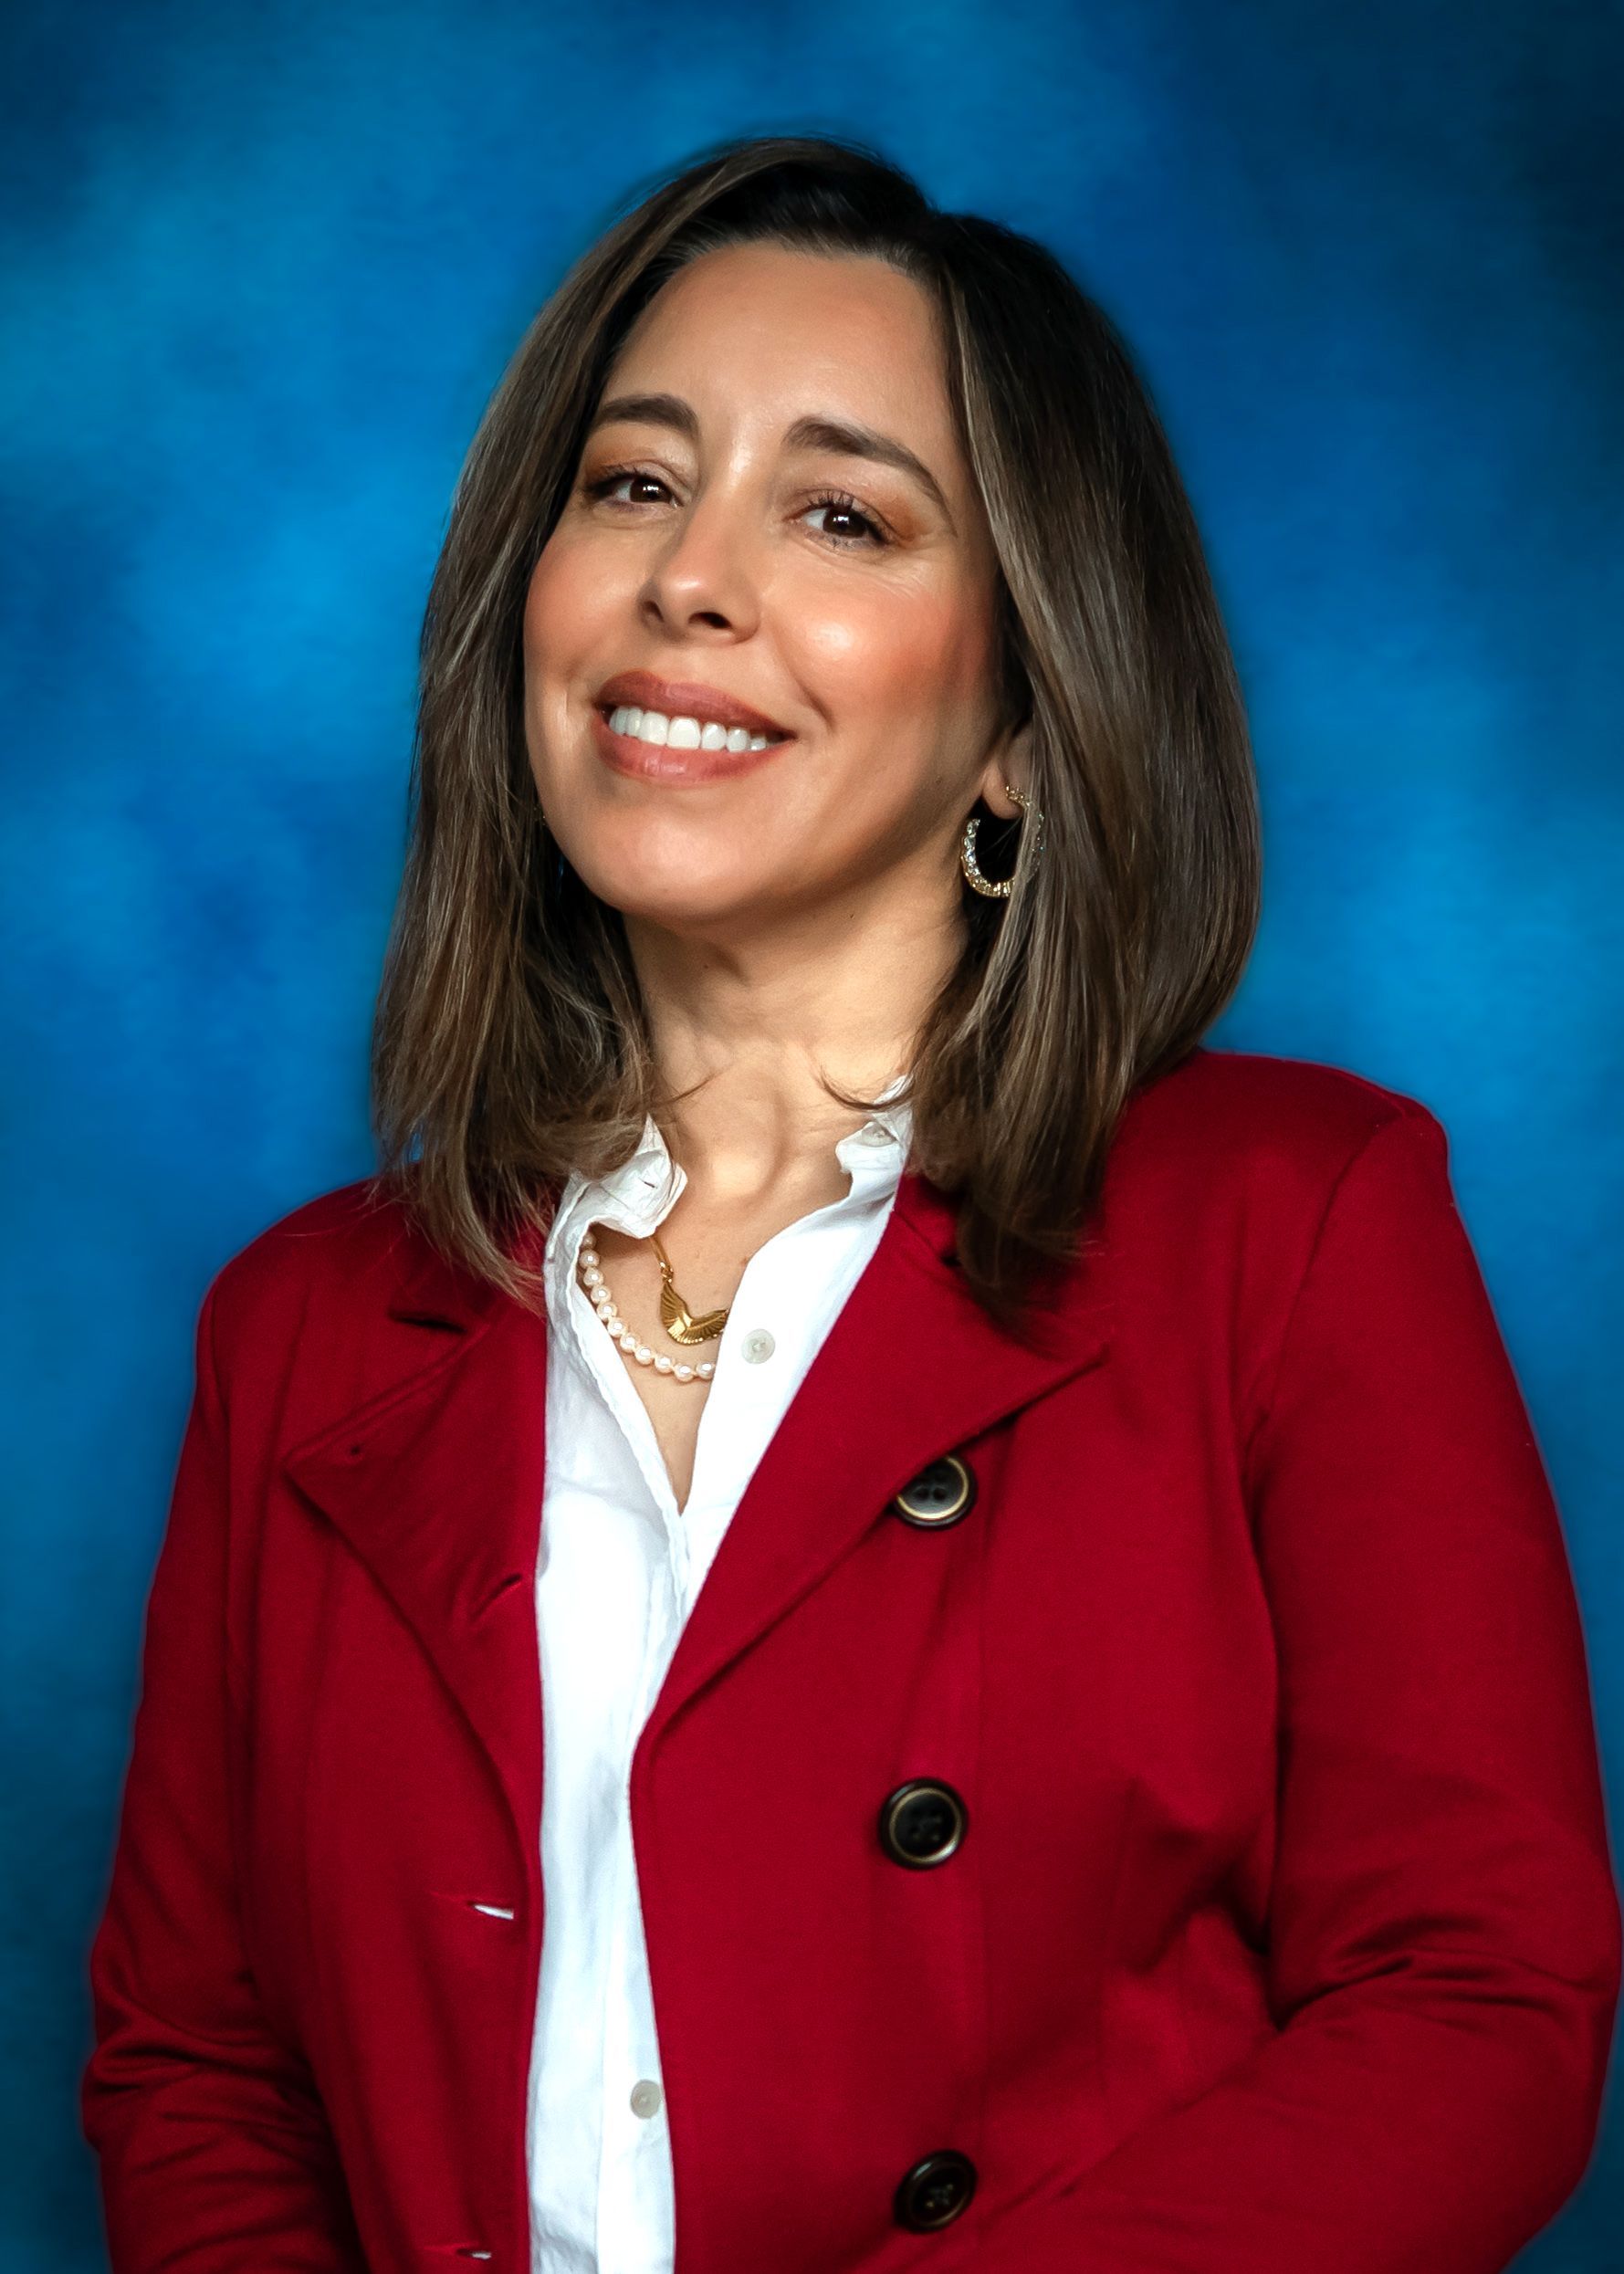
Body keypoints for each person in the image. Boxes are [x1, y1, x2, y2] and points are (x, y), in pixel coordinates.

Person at [80, 133, 1620, 2274]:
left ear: (1017, 711)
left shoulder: (1296, 1223)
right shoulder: (301, 1324)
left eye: (837, 512)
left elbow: (1475, 2013)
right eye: (630, 483)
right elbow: (198, 2059)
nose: (685, 580)